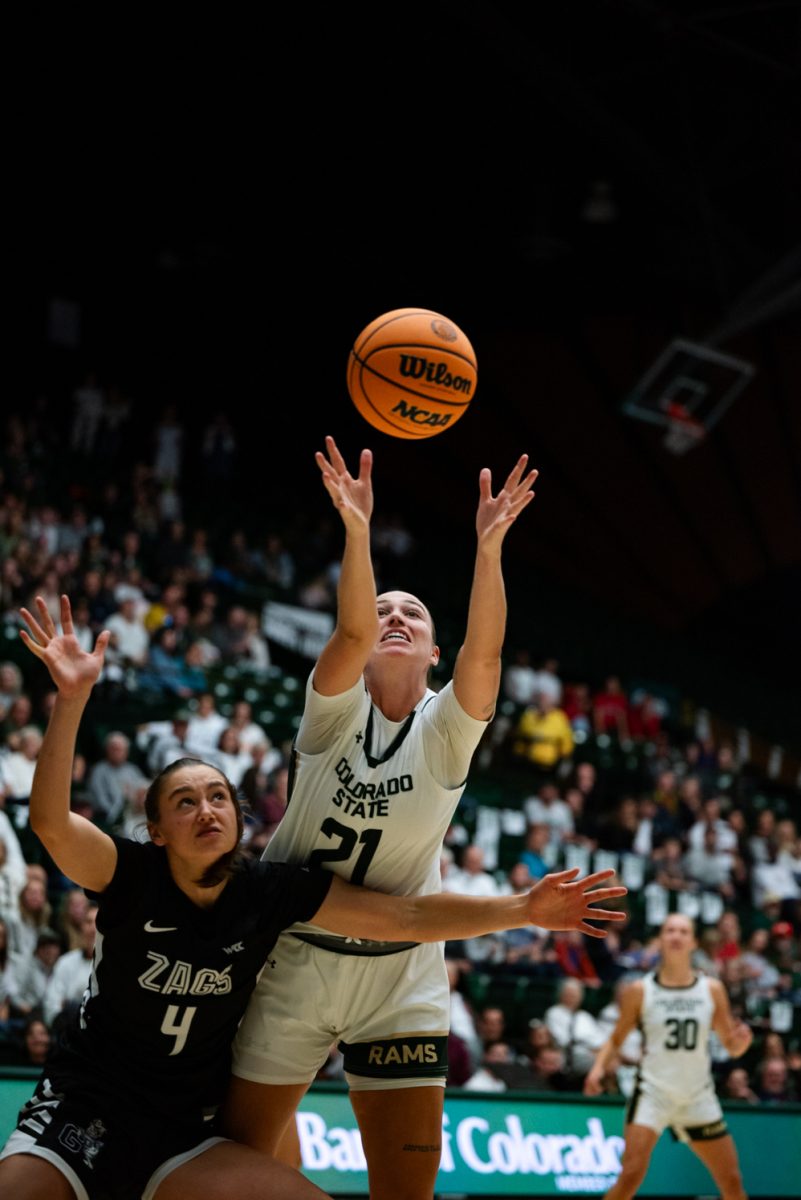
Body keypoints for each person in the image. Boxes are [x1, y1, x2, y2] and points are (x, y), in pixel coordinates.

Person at [0, 594, 627, 1200]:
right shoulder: (131, 873)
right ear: (156, 830)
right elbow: (52, 825)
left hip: (181, 1129)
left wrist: (524, 911)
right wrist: (72, 699)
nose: (206, 810)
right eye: (185, 801)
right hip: (87, 1107)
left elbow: (407, 914)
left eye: (218, 796)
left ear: (243, 820)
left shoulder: (270, 891)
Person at [221, 436, 552, 1198]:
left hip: (399, 975)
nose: (395, 617)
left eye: (413, 613)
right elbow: (346, 634)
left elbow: (487, 659)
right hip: (293, 958)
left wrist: (490, 547)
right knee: (237, 1163)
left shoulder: (445, 733)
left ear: (434, 652)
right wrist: (358, 530)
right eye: (383, 611)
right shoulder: (330, 715)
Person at [584, 913, 752, 1200]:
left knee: (732, 1182)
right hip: (653, 1092)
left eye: (683, 931)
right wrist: (596, 1069)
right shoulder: (640, 991)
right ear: (660, 939)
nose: (676, 936)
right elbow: (616, 1038)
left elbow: (731, 1046)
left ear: (693, 942)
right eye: (670, 930)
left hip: (698, 1095)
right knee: (630, 1176)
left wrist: (743, 1043)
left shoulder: (711, 989)